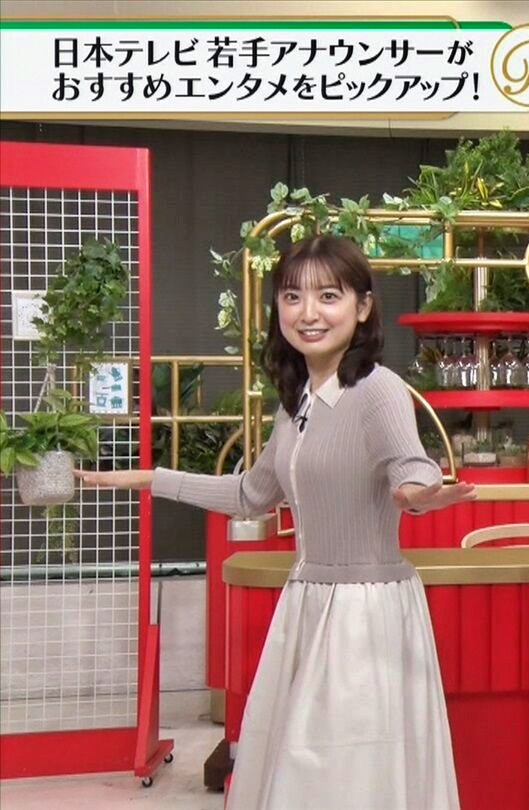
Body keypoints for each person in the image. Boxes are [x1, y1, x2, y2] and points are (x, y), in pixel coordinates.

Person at [77, 234, 473, 809]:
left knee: (348, 770)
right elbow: (251, 493)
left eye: (328, 296)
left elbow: (410, 468)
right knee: (302, 768)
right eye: (292, 297)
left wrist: (420, 495)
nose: (308, 313)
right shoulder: (297, 403)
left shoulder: (378, 389)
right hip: (307, 603)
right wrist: (147, 480)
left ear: (363, 306)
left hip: (363, 615)